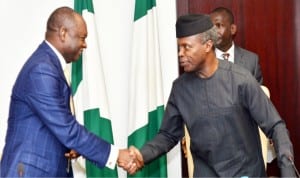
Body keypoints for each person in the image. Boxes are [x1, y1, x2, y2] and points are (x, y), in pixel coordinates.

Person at [128, 14, 296, 177]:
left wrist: (287, 171)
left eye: (187, 47)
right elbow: (168, 135)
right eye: (179, 47)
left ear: (208, 46)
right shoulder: (180, 89)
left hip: (245, 173)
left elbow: (275, 127)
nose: (180, 53)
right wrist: (142, 155)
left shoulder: (240, 79)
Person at [0, 7, 136, 177]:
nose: (85, 44)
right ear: (63, 33)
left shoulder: (50, 65)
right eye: (82, 38)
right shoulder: (42, 69)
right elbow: (67, 129)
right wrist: (116, 154)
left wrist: (71, 146)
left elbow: (53, 126)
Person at [210, 7, 263, 84]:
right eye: (211, 28)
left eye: (218, 26)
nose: (214, 32)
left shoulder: (251, 60)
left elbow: (257, 94)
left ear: (232, 29)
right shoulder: (203, 60)